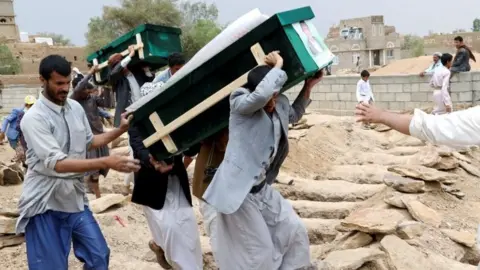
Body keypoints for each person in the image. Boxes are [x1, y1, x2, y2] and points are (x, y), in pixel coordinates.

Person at [17, 55, 140, 270]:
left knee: (99, 255)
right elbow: (57, 163)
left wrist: (119, 130)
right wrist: (106, 161)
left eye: (67, 83)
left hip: (74, 198)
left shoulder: (75, 108)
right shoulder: (34, 118)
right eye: (59, 83)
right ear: (42, 80)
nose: (65, 88)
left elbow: (90, 141)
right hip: (45, 202)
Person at [203, 51, 323, 269]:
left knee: (293, 230)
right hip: (239, 193)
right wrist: (279, 64)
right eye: (270, 96)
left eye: (276, 96)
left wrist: (308, 87)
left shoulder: (278, 103)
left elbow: (293, 114)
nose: (272, 102)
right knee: (260, 252)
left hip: (262, 188)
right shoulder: (240, 103)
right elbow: (261, 96)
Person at [128, 85, 202, 269]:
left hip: (175, 182)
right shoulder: (136, 124)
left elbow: (192, 148)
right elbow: (138, 146)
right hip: (152, 186)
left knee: (188, 225)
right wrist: (152, 161)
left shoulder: (174, 117)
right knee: (168, 229)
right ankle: (166, 253)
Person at [108, 45, 155, 194]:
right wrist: (130, 54)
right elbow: (113, 73)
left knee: (146, 145)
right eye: (120, 62)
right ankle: (132, 184)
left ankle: (133, 182)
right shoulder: (117, 80)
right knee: (135, 149)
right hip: (130, 116)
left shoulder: (137, 73)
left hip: (145, 113)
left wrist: (147, 69)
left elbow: (150, 80)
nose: (124, 64)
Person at [71, 65, 114, 199]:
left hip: (100, 136)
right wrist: (90, 72)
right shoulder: (73, 99)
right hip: (87, 139)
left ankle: (92, 190)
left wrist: (107, 85)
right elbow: (79, 88)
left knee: (103, 166)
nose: (86, 91)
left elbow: (108, 104)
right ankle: (96, 195)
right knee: (92, 168)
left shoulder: (92, 99)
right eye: (84, 89)